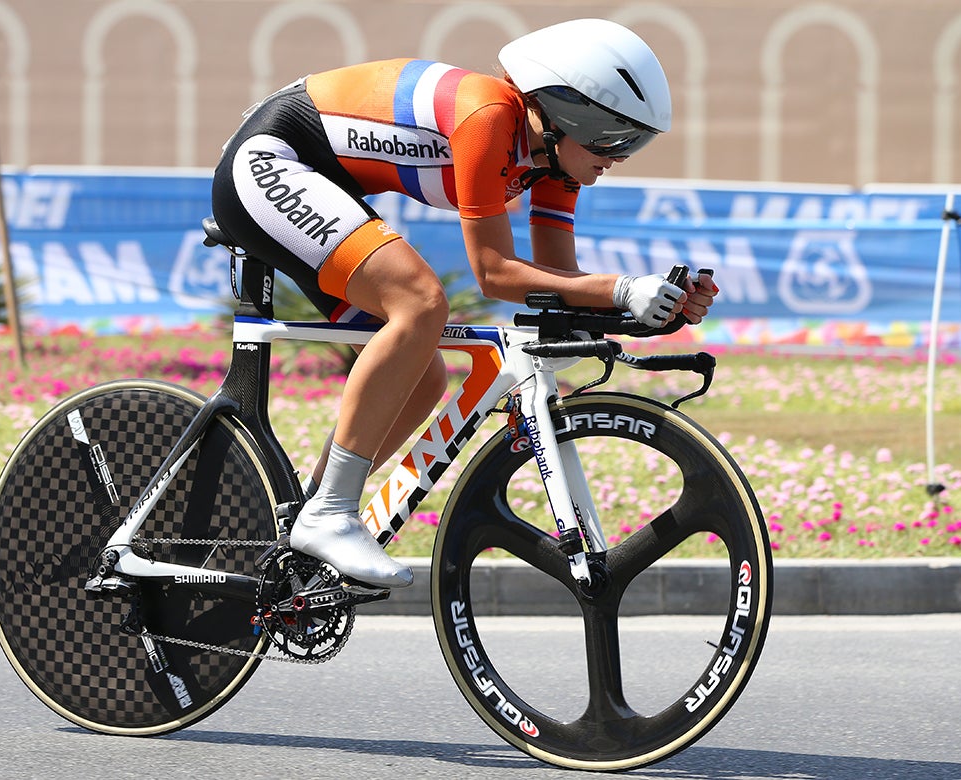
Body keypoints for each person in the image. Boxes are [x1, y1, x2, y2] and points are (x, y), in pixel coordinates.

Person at [210, 18, 719, 589]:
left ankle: (304, 519)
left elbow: (555, 281)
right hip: (269, 163)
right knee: (421, 302)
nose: (619, 157)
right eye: (616, 138)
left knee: (422, 376)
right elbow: (496, 273)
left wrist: (651, 308)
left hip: (324, 180)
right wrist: (622, 288)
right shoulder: (489, 116)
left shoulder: (554, 158)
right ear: (568, 114)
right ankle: (329, 514)